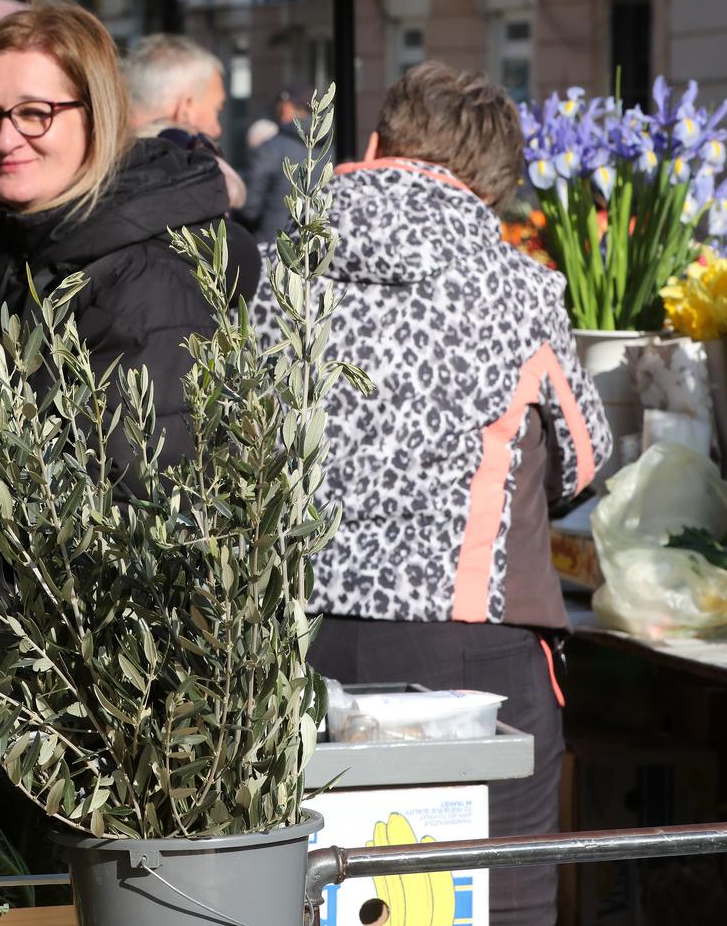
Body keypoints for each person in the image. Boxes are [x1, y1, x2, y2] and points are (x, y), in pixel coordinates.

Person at [255, 61, 612, 926]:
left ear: (374, 146)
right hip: (468, 665)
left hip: (294, 652)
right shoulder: (521, 289)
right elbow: (586, 459)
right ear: (492, 191)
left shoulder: (278, 275)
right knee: (485, 900)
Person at [0, 1, 260, 564]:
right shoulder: (17, 251)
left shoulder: (147, 280)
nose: (4, 141)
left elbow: (113, 511)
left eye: (35, 113)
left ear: (97, 116)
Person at [123, 33, 245, 208]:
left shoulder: (90, 164)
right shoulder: (199, 192)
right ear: (185, 109)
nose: (217, 130)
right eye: (216, 109)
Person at [240, 85, 311, 243]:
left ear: (287, 108)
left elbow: (250, 208)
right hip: (318, 249)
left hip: (276, 248)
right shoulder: (333, 147)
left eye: (279, 110)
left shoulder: (271, 148)